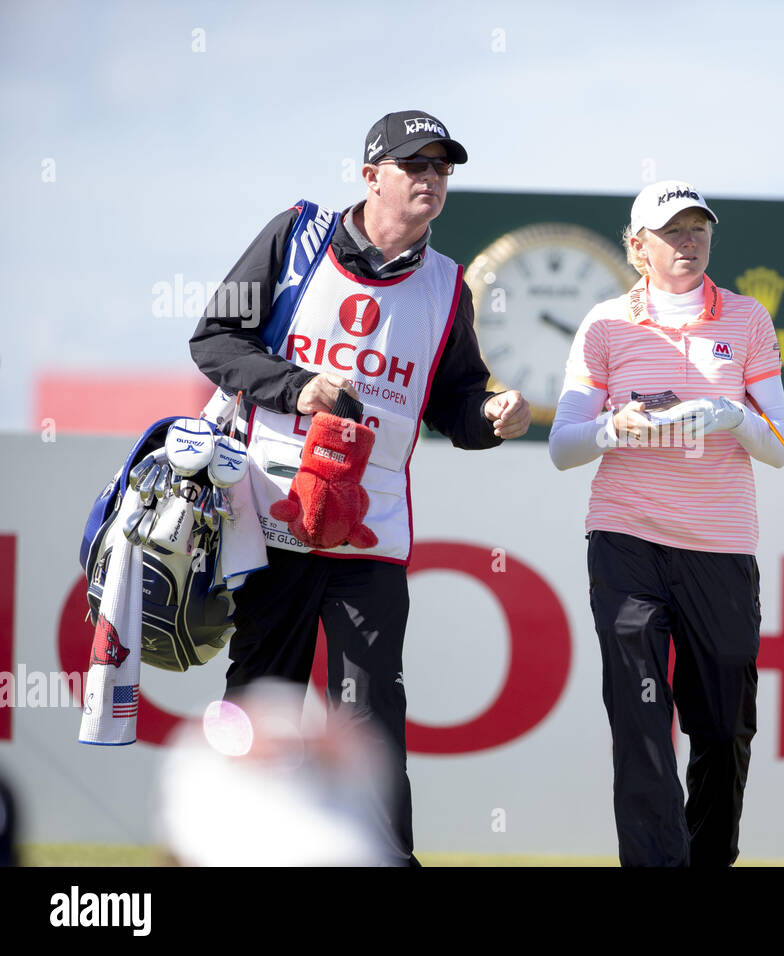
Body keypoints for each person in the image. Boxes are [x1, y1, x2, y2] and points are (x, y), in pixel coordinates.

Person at [189, 110, 530, 866]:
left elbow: (454, 402)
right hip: (266, 514)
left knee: (371, 714)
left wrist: (490, 415)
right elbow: (214, 342)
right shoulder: (296, 234)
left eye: (442, 168)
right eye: (416, 165)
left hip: (372, 533)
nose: (431, 179)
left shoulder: (448, 284)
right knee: (260, 700)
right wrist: (298, 387)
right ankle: (229, 851)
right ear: (371, 174)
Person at [548, 180, 784, 866]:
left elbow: (780, 448)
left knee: (722, 727)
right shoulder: (604, 325)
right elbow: (563, 447)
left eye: (698, 231)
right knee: (641, 719)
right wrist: (610, 428)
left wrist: (733, 416)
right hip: (627, 538)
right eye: (672, 232)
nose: (688, 243)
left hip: (719, 547)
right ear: (637, 247)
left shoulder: (746, 321)